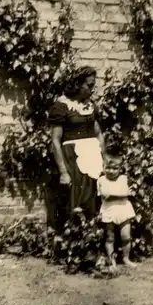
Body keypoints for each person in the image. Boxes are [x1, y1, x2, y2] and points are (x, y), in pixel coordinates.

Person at [46, 66, 104, 239]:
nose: (92, 89)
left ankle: (91, 241)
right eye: (89, 85)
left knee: (92, 198)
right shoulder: (61, 106)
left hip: (92, 158)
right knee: (72, 199)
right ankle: (71, 244)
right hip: (73, 158)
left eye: (93, 85)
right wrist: (63, 171)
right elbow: (55, 140)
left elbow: (99, 133)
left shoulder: (91, 106)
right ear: (78, 84)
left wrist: (103, 160)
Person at [97, 141, 137, 271]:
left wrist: (117, 194)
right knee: (110, 238)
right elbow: (104, 196)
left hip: (123, 210)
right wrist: (121, 194)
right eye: (108, 168)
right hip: (109, 211)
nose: (111, 171)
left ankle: (126, 258)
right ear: (103, 167)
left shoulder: (124, 179)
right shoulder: (101, 180)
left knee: (126, 236)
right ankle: (111, 261)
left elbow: (128, 193)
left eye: (115, 169)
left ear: (120, 168)